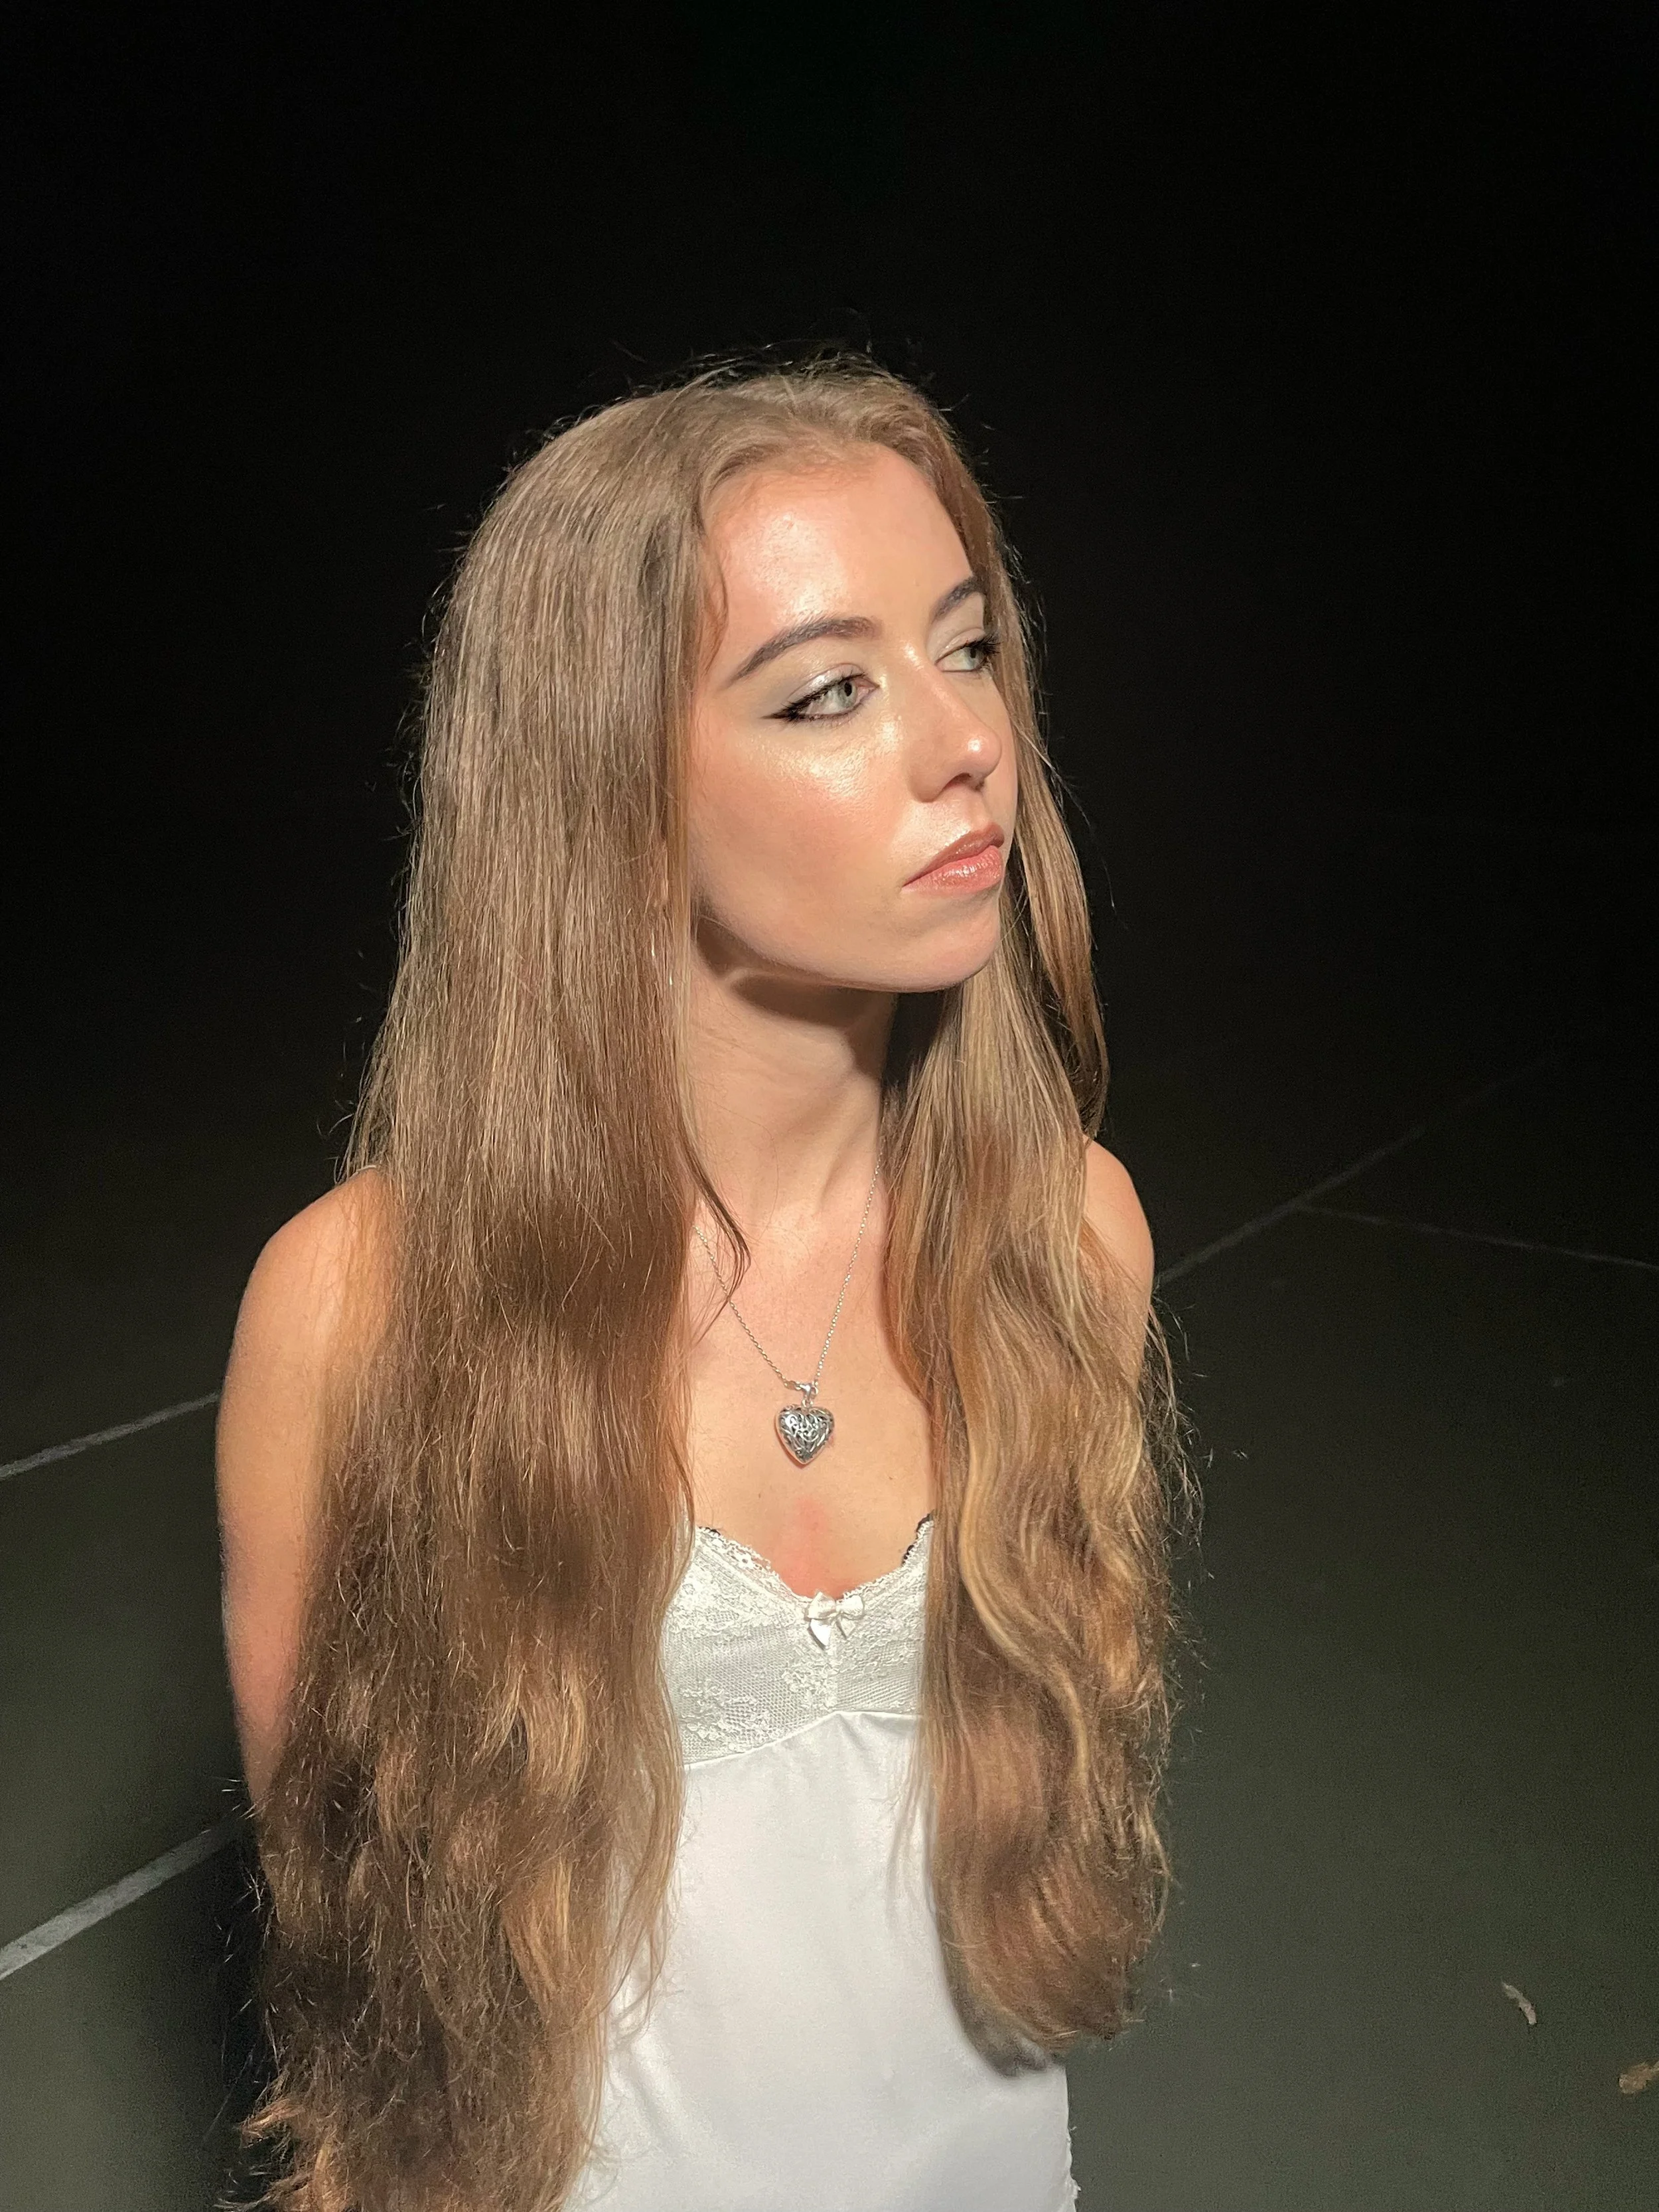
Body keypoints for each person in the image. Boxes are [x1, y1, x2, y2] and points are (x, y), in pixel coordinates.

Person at [215, 358, 1189, 2212]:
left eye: (965, 648)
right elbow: (355, 1988)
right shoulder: (362, 1311)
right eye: (827, 690)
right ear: (608, 783)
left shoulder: (1069, 1237)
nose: (959, 738)